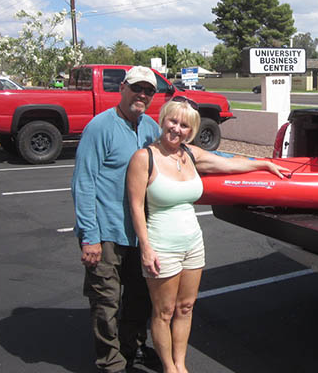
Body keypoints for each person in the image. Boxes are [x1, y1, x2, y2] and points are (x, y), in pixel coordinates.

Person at [126, 97, 289, 373]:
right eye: (173, 121)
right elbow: (135, 208)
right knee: (163, 312)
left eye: (184, 125)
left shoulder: (191, 154)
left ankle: (181, 364)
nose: (177, 129)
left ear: (191, 130)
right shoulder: (145, 158)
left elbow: (229, 164)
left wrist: (263, 164)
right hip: (161, 246)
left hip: (193, 244)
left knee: (186, 307)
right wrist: (146, 248)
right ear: (163, 119)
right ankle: (168, 367)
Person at [72, 65, 162, 373]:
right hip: (106, 233)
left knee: (140, 298)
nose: (142, 94)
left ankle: (132, 347)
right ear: (122, 87)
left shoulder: (151, 128)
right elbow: (83, 183)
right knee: (106, 301)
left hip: (140, 233)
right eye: (137, 87)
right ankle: (110, 362)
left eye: (148, 90)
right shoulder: (100, 127)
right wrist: (89, 236)